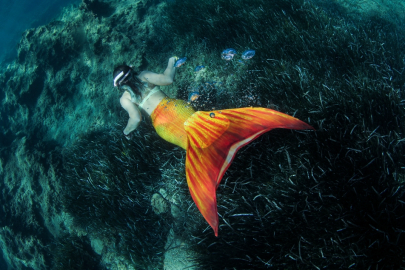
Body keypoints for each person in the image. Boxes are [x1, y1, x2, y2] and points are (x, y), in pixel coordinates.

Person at [113, 57, 314, 237]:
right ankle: (238, 139)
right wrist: (171, 62)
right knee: (204, 127)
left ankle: (216, 169)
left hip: (163, 127)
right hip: (174, 108)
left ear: (120, 86)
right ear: (131, 71)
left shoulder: (125, 98)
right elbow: (168, 79)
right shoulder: (145, 76)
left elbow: (136, 119)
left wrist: (126, 132)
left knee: (192, 146)